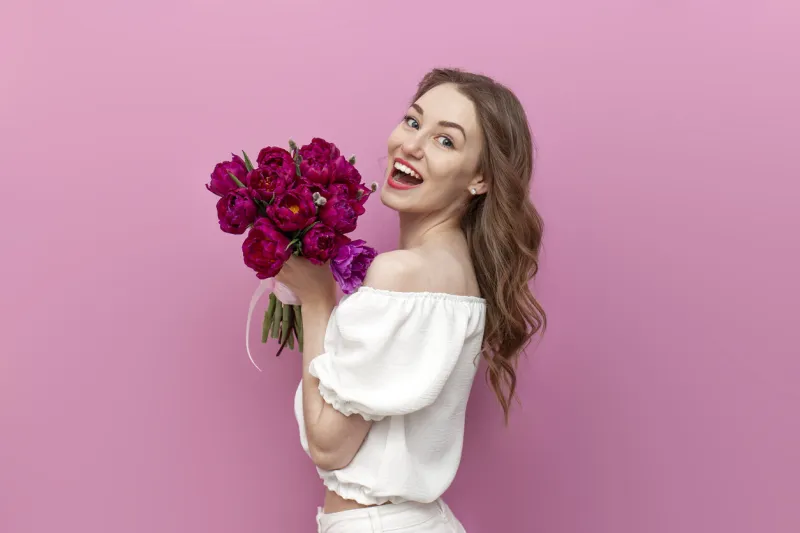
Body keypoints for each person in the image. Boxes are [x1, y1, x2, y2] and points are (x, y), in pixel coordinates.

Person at [276, 67, 546, 532]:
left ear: (479, 179)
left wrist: (317, 299)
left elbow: (329, 446)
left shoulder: (401, 273)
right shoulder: (462, 273)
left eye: (446, 141)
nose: (412, 146)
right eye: (414, 121)